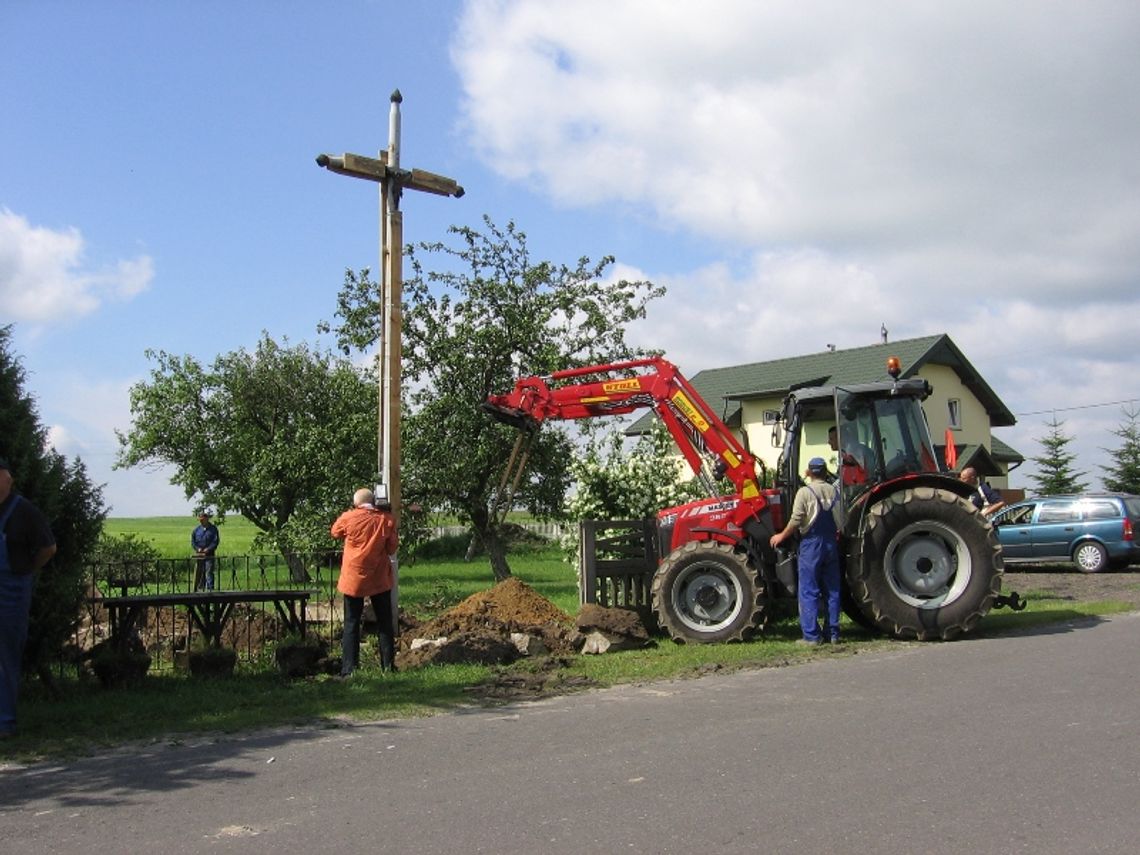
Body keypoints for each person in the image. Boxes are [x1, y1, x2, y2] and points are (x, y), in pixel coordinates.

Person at [0, 456, 57, 739]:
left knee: (6, 657)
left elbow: (48, 548)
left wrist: (26, 572)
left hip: (11, 592)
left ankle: (5, 722)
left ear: (7, 480)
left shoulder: (24, 512)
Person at [769, 457, 842, 645]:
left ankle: (811, 636)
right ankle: (833, 634)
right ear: (825, 472)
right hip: (830, 543)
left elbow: (796, 520)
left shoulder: (805, 492)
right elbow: (842, 520)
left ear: (809, 472)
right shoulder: (834, 491)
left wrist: (781, 536)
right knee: (832, 590)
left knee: (809, 590)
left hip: (812, 544)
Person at [331, 487, 399, 676]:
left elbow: (335, 532)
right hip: (379, 577)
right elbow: (392, 548)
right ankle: (388, 666)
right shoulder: (386, 520)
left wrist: (349, 513)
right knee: (384, 621)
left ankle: (349, 668)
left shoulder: (349, 517)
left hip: (354, 578)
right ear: (375, 501)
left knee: (351, 622)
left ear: (356, 503)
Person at [191, 511, 220, 591]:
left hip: (209, 555)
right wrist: (198, 549)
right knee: (200, 573)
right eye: (200, 520)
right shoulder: (196, 530)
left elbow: (215, 541)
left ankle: (210, 590)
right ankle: (200, 589)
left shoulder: (213, 529)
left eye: (202, 519)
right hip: (199, 555)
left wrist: (208, 549)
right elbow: (193, 542)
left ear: (207, 519)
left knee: (209, 572)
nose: (201, 521)